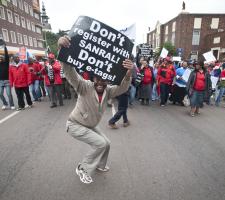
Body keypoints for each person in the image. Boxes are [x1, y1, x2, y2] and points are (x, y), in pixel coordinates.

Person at [58, 36, 133, 184]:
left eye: (103, 80)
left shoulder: (109, 91)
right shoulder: (84, 86)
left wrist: (129, 73)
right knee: (101, 143)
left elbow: (123, 87)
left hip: (90, 126)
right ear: (93, 79)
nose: (100, 82)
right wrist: (62, 49)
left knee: (107, 143)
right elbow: (70, 72)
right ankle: (83, 167)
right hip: (75, 125)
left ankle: (100, 164)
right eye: (97, 79)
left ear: (107, 80)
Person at [0, 44, 15, 110]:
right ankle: (5, 103)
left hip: (7, 81)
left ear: (4, 59)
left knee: (9, 94)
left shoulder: (6, 63)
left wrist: (5, 47)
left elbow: (6, 55)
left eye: (1, 58)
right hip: (0, 82)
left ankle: (12, 104)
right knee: (0, 94)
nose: (0, 59)